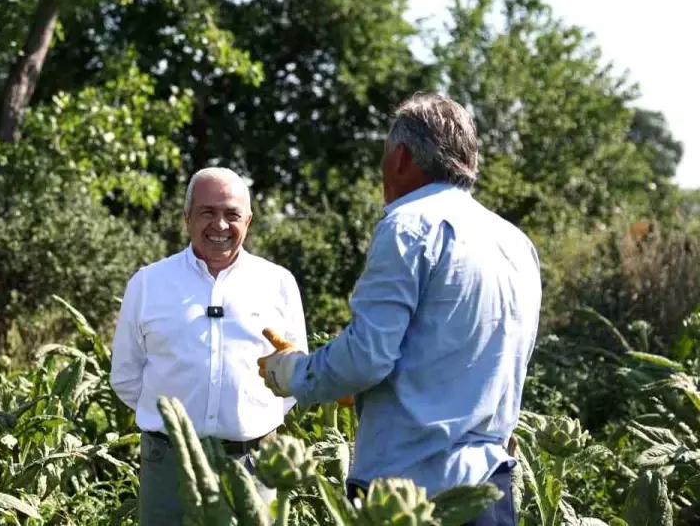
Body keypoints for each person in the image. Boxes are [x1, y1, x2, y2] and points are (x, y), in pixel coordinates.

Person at [260, 93, 541, 526]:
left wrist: (292, 372)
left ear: (401, 157)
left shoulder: (408, 226)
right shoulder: (515, 243)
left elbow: (366, 358)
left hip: (407, 495)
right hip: (489, 488)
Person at [110, 167, 308, 525]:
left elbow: (294, 375)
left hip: (252, 466)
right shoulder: (149, 283)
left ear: (248, 220)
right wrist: (174, 428)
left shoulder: (277, 283)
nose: (220, 225)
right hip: (168, 466)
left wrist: (251, 421)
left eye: (231, 215)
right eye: (207, 213)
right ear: (187, 218)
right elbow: (126, 376)